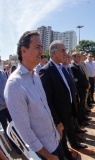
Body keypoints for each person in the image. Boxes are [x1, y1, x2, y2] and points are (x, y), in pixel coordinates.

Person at [4, 30, 64, 160]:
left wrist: (56, 127)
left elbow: (44, 108)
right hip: (44, 153)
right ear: (24, 51)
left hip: (54, 141)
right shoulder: (14, 85)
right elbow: (26, 132)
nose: (42, 51)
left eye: (42, 47)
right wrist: (48, 156)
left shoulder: (35, 76)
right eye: (37, 47)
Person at [39, 40, 82, 160]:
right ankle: (64, 156)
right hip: (59, 116)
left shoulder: (62, 68)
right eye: (63, 50)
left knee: (66, 137)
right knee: (61, 140)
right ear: (54, 52)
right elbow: (47, 100)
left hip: (67, 111)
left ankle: (67, 153)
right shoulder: (46, 71)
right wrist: (57, 121)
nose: (65, 53)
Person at [70, 52, 91, 128]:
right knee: (79, 106)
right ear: (73, 57)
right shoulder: (73, 67)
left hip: (83, 88)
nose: (80, 58)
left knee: (82, 104)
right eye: (78, 56)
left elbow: (84, 77)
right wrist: (86, 85)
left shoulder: (78, 66)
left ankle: (83, 117)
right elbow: (78, 80)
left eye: (80, 56)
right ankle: (80, 121)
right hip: (79, 89)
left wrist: (87, 84)